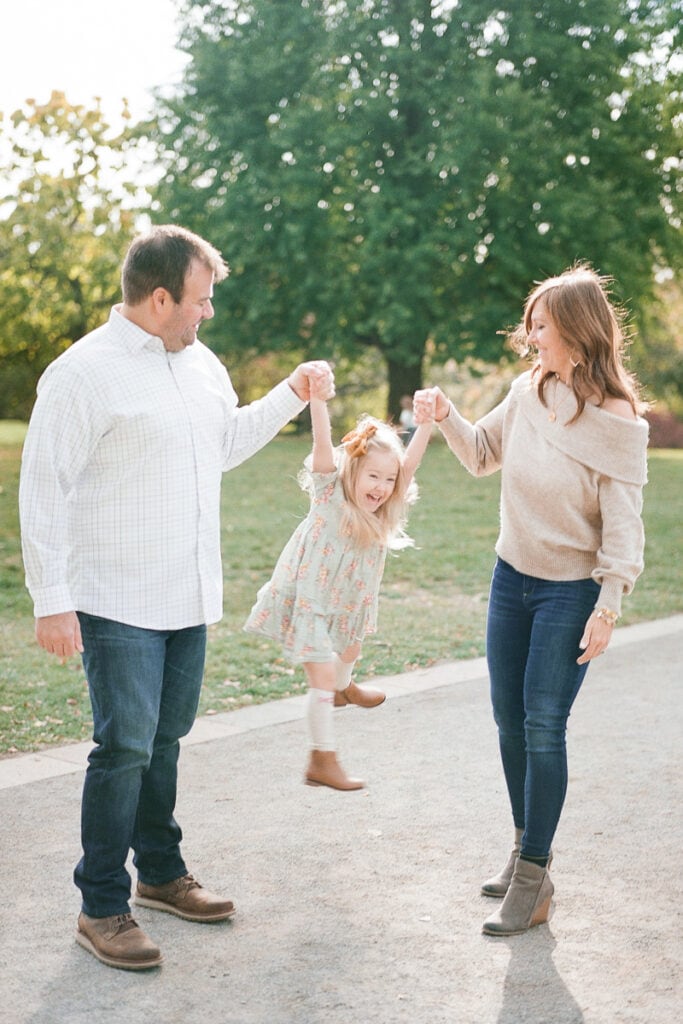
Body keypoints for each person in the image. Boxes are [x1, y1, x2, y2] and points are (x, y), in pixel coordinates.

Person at [18, 224, 335, 971]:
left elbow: (221, 446)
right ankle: (101, 905)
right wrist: (50, 598)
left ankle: (158, 872)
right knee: (125, 744)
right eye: (201, 301)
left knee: (165, 737)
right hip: (116, 597)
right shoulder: (80, 374)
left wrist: (291, 393)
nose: (208, 314)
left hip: (187, 593)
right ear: (160, 298)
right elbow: (43, 489)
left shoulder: (199, 365)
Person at [413, 263, 648, 936]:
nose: (528, 334)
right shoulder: (526, 391)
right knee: (507, 720)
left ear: (573, 330)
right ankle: (522, 850)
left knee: (544, 724)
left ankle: (535, 873)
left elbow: (623, 521)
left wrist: (608, 603)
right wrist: (446, 413)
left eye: (539, 324)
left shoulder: (615, 420)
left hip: (570, 592)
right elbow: (481, 454)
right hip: (510, 575)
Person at [244, 392, 432, 791]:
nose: (381, 487)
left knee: (349, 649)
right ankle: (322, 758)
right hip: (310, 598)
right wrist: (317, 401)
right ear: (352, 473)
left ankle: (345, 688)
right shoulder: (329, 492)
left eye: (388, 479)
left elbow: (409, 465)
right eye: (373, 476)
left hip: (347, 601)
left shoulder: (383, 508)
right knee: (321, 672)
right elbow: (321, 443)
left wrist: (427, 424)